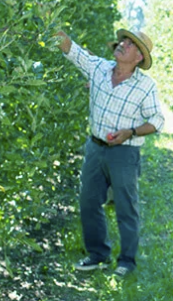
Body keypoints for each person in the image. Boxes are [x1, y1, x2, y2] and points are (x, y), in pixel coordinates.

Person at [57, 27, 164, 277]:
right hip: (95, 147)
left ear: (138, 57)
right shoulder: (99, 68)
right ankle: (97, 255)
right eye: (123, 41)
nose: (122, 45)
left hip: (124, 153)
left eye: (130, 44)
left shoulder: (145, 87)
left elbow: (157, 121)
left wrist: (131, 132)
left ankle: (127, 261)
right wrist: (47, 18)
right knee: (89, 201)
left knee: (127, 207)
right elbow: (72, 50)